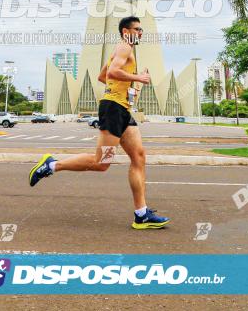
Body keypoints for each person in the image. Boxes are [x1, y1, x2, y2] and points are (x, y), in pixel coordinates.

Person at [28, 16, 170, 229]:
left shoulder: (121, 51)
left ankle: (141, 215)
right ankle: (52, 164)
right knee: (102, 162)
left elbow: (103, 76)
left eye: (142, 30)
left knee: (138, 157)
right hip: (113, 109)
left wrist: (128, 82)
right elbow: (112, 72)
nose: (140, 33)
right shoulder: (125, 47)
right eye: (137, 29)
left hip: (123, 109)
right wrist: (138, 78)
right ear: (125, 31)